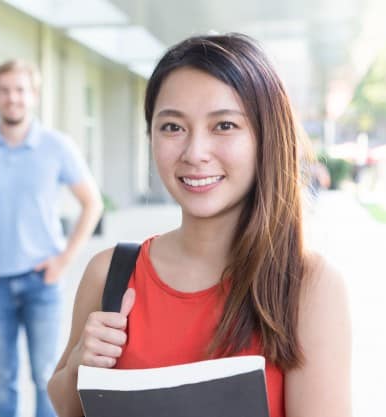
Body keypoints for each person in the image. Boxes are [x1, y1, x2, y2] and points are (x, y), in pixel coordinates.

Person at [47, 33, 352, 417]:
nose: (195, 153)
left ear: (266, 137)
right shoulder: (110, 273)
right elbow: (64, 405)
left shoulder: (309, 286)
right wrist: (81, 363)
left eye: (223, 126)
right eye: (172, 127)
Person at [0, 60, 103, 417]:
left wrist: (63, 260)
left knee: (46, 376)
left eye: (20, 90)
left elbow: (92, 204)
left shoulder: (56, 146)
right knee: (4, 378)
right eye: (4, 90)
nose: (12, 98)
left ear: (33, 95)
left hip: (42, 282)